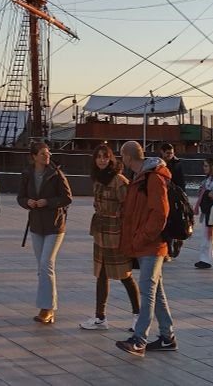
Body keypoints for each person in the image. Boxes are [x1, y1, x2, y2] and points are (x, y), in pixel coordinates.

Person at [114, 141, 177, 357]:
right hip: (145, 243)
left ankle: (139, 339)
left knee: (147, 292)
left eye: (122, 156)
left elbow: (160, 213)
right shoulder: (141, 177)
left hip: (152, 244)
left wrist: (142, 238)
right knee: (156, 291)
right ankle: (168, 337)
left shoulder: (153, 177)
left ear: (128, 157)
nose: (122, 161)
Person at [80, 143, 140, 332]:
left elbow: (129, 209)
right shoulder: (97, 180)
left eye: (105, 157)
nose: (102, 160)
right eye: (98, 157)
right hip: (100, 232)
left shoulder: (119, 180)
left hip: (116, 233)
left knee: (125, 275)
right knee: (102, 274)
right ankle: (100, 317)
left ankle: (138, 316)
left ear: (111, 158)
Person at [17, 142, 72, 325]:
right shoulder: (27, 174)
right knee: (42, 268)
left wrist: (46, 202)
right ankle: (48, 307)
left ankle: (47, 308)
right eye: (42, 154)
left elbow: (67, 198)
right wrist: (28, 202)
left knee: (46, 264)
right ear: (34, 156)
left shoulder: (56, 173)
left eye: (47, 153)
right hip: (36, 226)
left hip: (55, 226)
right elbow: (20, 197)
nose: (46, 156)